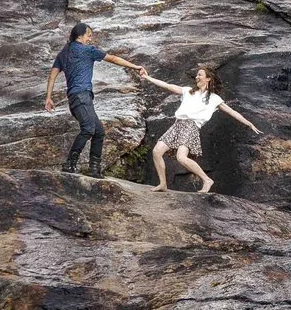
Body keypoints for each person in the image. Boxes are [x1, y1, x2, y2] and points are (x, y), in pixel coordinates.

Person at [128, 63, 259, 192]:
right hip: (177, 124)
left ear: (208, 78)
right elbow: (168, 86)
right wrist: (148, 78)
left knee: (181, 157)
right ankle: (163, 184)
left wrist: (249, 123)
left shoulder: (214, 98)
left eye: (200, 75)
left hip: (191, 126)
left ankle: (207, 180)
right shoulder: (187, 91)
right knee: (157, 151)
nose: (197, 77)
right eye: (196, 75)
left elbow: (232, 112)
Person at [43, 22, 137, 178]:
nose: (90, 39)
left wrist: (48, 98)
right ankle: (69, 164)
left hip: (75, 99)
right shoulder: (88, 50)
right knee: (88, 129)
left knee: (98, 131)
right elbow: (113, 59)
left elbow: (52, 75)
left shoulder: (63, 53)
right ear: (80, 36)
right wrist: (136, 67)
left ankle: (94, 169)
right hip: (82, 96)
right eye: (89, 35)